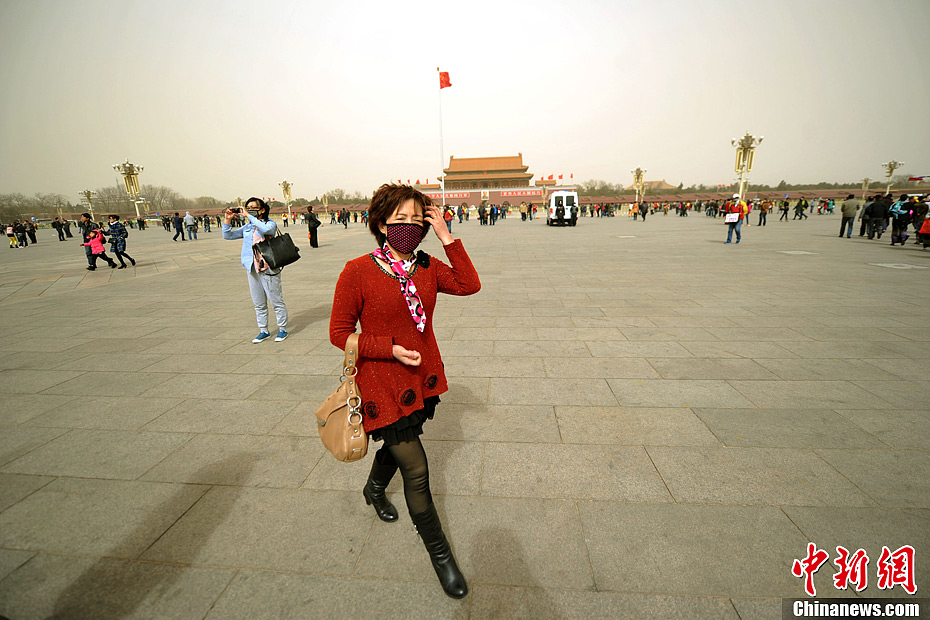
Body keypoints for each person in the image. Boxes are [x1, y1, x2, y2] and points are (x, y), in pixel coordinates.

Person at [329, 184, 480, 599]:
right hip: (382, 382)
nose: (410, 227)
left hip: (419, 380)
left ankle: (374, 489)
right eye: (400, 220)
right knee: (416, 468)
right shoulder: (357, 270)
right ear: (381, 224)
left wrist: (447, 236)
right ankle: (441, 556)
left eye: (418, 219)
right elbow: (339, 332)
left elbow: (469, 284)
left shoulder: (426, 267)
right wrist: (388, 348)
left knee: (399, 443)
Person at [223, 197, 289, 343]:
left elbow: (266, 230)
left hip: (268, 267)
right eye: (248, 208)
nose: (250, 210)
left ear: (262, 210)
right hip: (252, 267)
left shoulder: (269, 224)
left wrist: (248, 216)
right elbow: (228, 235)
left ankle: (282, 328)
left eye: (254, 208)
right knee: (258, 302)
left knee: (276, 300)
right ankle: (263, 330)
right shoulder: (248, 227)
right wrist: (227, 220)